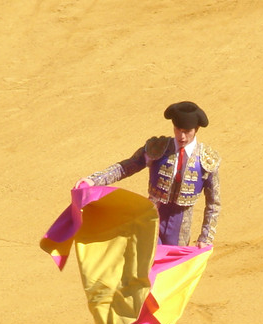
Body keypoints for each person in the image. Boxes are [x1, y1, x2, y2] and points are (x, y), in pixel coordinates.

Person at [74, 101, 221, 247]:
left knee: (171, 265)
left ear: (196, 129)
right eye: (178, 129)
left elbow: (213, 202)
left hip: (181, 222)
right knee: (145, 260)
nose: (181, 136)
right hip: (153, 213)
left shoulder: (206, 159)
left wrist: (206, 236)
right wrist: (94, 180)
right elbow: (126, 167)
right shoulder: (158, 148)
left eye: (187, 131)